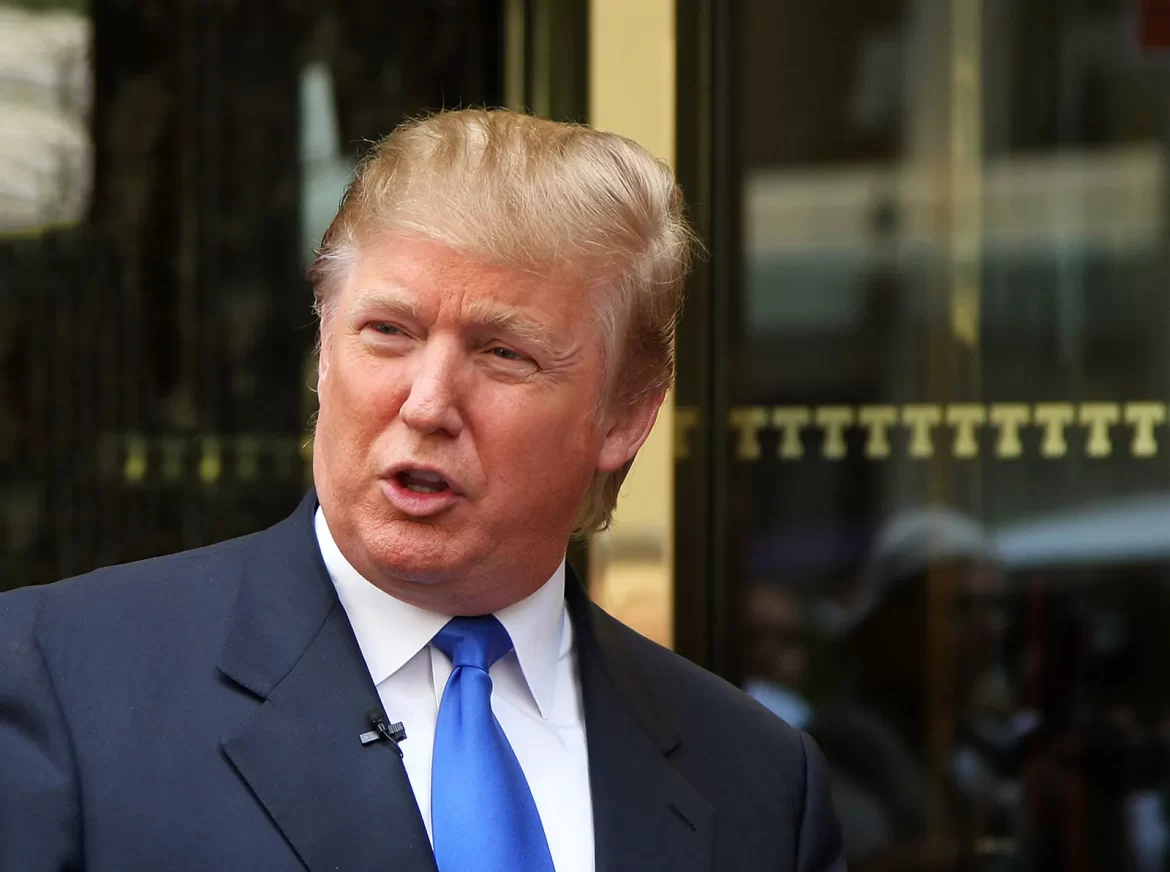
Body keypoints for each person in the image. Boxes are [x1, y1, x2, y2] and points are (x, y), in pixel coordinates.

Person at [0, 109, 844, 871]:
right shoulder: (55, 683)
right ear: (324, 351)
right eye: (388, 332)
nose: (429, 401)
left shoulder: (758, 780)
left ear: (625, 415)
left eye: (503, 353)